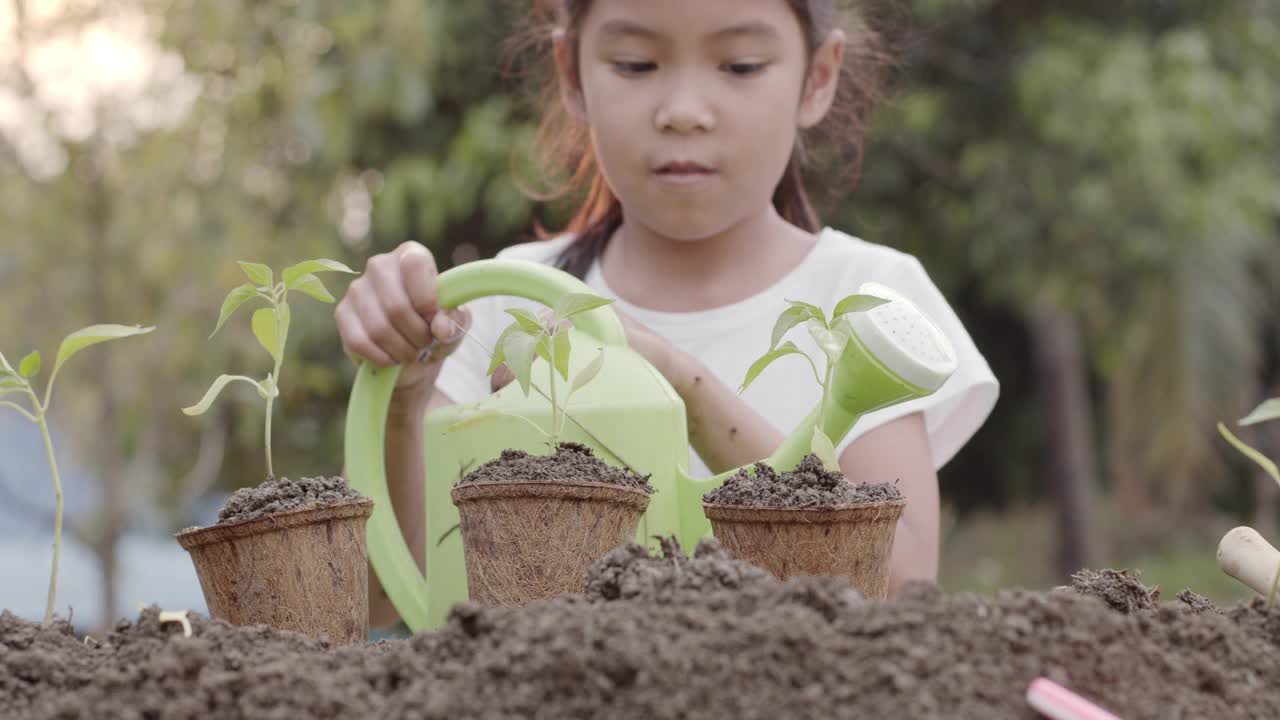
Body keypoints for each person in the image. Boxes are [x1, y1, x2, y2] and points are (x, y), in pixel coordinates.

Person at [336, 0, 999, 629]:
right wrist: (406, 393)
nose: (683, 112)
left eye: (740, 66)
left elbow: (905, 591)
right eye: (635, 64)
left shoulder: (869, 298)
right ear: (572, 75)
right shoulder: (511, 298)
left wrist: (678, 380)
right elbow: (378, 598)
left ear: (817, 78)